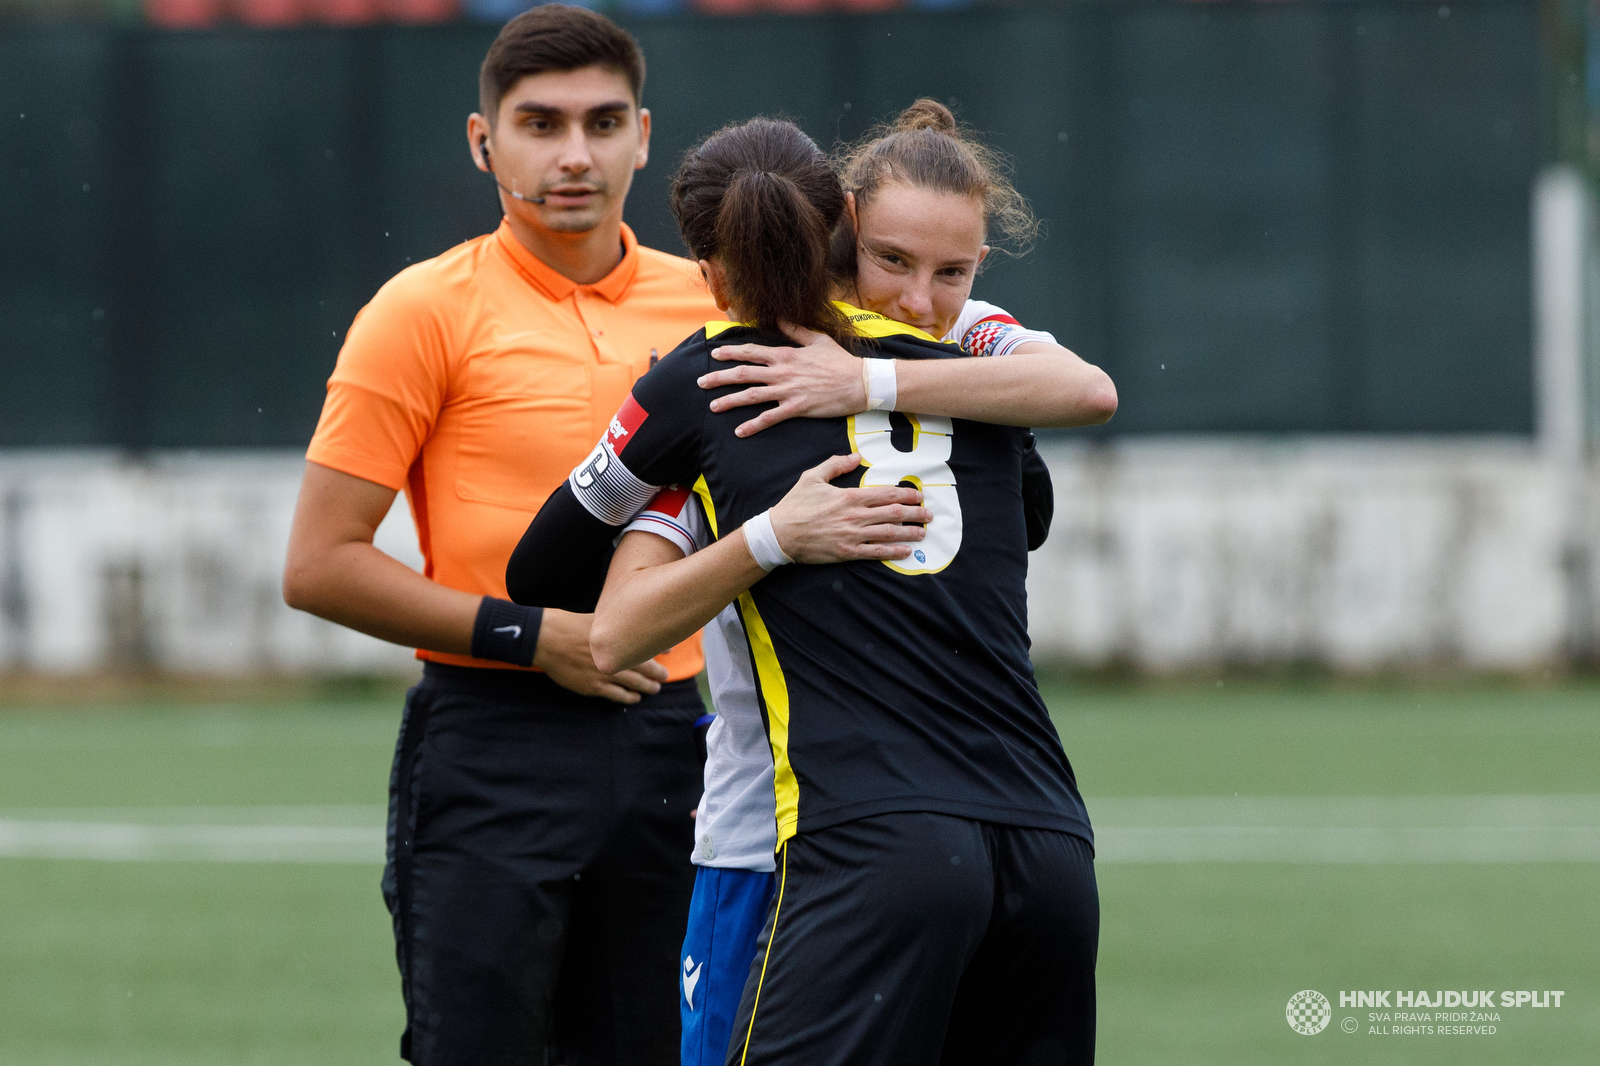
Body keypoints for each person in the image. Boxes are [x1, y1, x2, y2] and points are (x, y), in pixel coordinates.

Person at [508, 116, 1102, 1065]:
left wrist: (769, 530)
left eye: (951, 274)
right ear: (843, 224)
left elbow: (578, 603)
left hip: (819, 844)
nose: (921, 299)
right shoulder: (978, 370)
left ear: (705, 265)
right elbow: (1041, 485)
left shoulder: (712, 383)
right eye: (895, 261)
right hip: (1048, 838)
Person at [281, 7, 720, 1064]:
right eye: (540, 123)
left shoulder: (713, 302)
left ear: (645, 135)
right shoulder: (422, 309)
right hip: (490, 742)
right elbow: (320, 563)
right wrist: (540, 638)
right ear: (485, 143)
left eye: (603, 122)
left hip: (680, 744)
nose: (574, 155)